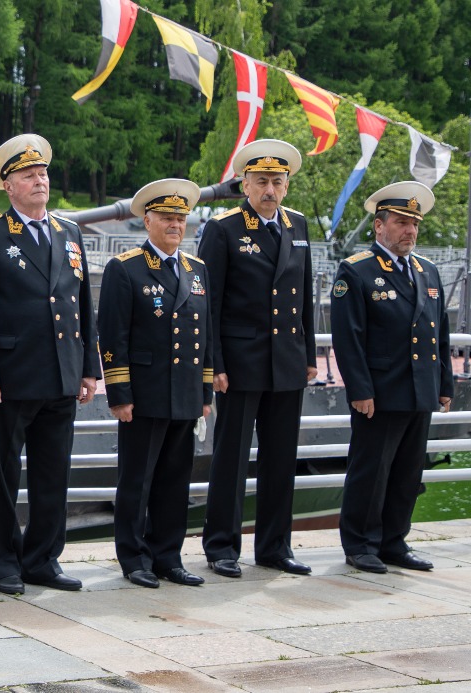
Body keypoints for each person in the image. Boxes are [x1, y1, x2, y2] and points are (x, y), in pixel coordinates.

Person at [0, 134, 100, 595]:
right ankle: (2, 560)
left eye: (42, 174)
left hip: (61, 373)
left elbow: (81, 304)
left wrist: (88, 368)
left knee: (52, 474)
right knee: (2, 476)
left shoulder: (69, 232)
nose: (39, 181)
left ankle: (43, 559)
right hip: (12, 377)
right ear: (9, 186)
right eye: (28, 175)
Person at [198, 139, 317, 578]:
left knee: (281, 457)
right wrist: (216, 364)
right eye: (262, 180)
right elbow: (208, 302)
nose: (270, 189)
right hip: (241, 360)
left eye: (278, 181)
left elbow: (304, 292)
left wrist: (307, 352)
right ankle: (222, 546)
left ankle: (274, 547)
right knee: (231, 458)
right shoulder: (224, 228)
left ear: (287, 186)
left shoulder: (298, 225)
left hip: (286, 358)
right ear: (245, 183)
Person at [331, 181, 451, 574]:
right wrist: (360, 389)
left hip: (420, 388)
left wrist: (444, 385)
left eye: (414, 224)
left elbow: (441, 331)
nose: (409, 231)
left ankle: (394, 541)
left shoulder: (427, 271)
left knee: (407, 470)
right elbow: (348, 339)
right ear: (379, 225)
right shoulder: (358, 270)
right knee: (372, 469)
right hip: (380, 392)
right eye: (401, 222)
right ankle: (360, 543)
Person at [98, 179, 211, 589]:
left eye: (181, 219)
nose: (175, 225)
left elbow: (206, 338)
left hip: (183, 392)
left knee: (175, 481)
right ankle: (134, 558)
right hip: (143, 394)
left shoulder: (196, 270)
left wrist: (205, 392)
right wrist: (119, 394)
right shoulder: (125, 268)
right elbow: (112, 337)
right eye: (166, 218)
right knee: (137, 481)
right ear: (147, 221)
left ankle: (169, 556)